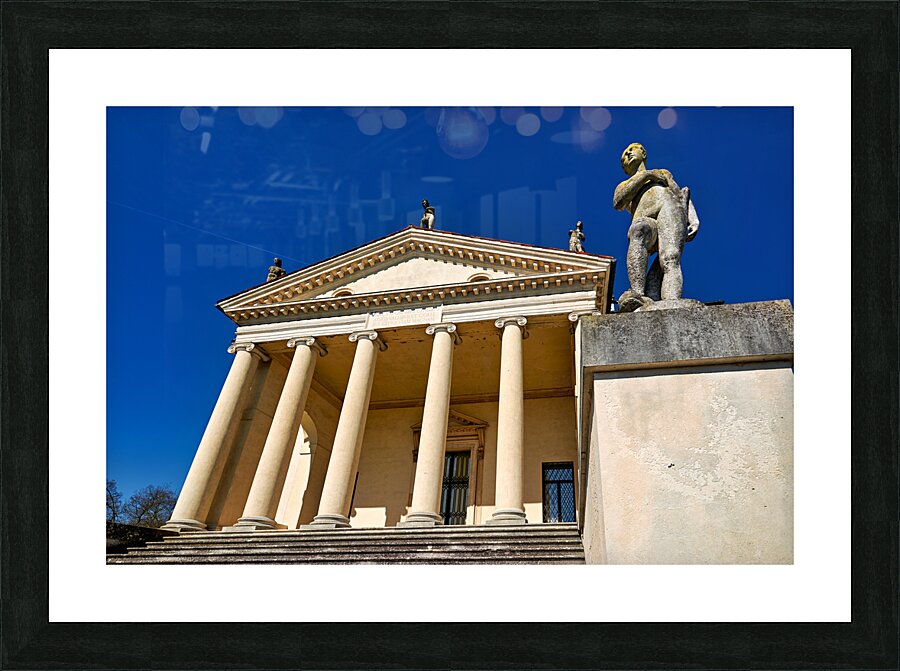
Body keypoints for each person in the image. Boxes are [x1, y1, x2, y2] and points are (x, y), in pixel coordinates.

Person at [613, 143, 699, 311]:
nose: (628, 154)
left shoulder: (663, 173)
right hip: (645, 215)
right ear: (624, 168)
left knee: (670, 258)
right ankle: (637, 295)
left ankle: (671, 302)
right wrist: (646, 175)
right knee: (639, 229)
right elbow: (618, 202)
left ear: (643, 153)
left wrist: (693, 218)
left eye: (632, 150)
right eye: (624, 155)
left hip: (669, 209)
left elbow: (678, 192)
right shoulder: (625, 184)